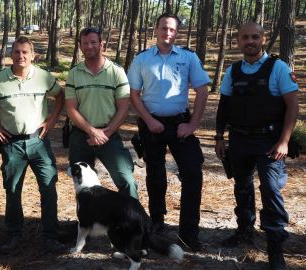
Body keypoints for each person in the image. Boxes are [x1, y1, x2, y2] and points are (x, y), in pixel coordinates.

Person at [215, 22, 298, 270]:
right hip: (239, 140)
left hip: (269, 141)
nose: (249, 41)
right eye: (244, 37)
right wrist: (219, 137)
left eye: (254, 37)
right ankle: (244, 231)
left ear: (262, 39)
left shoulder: (278, 68)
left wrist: (284, 141)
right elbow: (224, 105)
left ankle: (275, 247)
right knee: (242, 187)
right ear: (238, 41)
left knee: (271, 189)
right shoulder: (234, 70)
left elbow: (293, 106)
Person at [127, 13, 210, 251]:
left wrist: (192, 125)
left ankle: (189, 233)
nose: (168, 33)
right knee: (155, 176)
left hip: (180, 125)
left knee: (193, 173)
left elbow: (202, 91)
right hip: (151, 125)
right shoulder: (142, 59)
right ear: (156, 29)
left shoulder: (188, 57)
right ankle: (156, 225)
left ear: (177, 33)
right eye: (164, 28)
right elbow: (134, 94)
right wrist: (149, 120)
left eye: (173, 29)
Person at [0, 36, 66, 254]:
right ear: (11, 54)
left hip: (38, 141)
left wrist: (52, 120)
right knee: (12, 189)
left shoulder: (44, 77)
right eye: (17, 52)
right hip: (12, 144)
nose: (21, 56)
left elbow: (60, 96)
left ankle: (51, 235)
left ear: (33, 55)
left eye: (25, 52)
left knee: (48, 188)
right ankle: (14, 234)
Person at [65, 27, 138, 199]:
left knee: (127, 181)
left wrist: (105, 133)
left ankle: (134, 223)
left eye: (93, 42)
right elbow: (71, 108)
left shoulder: (116, 71)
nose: (89, 46)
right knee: (82, 185)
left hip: (109, 135)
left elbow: (123, 108)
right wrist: (92, 131)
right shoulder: (74, 73)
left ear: (102, 45)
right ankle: (88, 223)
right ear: (80, 46)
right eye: (85, 43)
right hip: (80, 136)